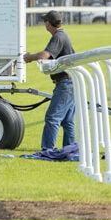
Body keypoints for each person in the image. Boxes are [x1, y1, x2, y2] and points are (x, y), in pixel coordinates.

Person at [23, 11, 75, 151]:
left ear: (48, 23)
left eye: (45, 21)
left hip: (65, 83)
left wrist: (29, 57)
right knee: (67, 120)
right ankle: (69, 149)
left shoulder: (58, 37)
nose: (44, 24)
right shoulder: (62, 35)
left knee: (52, 118)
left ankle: (47, 150)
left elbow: (45, 55)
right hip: (71, 82)